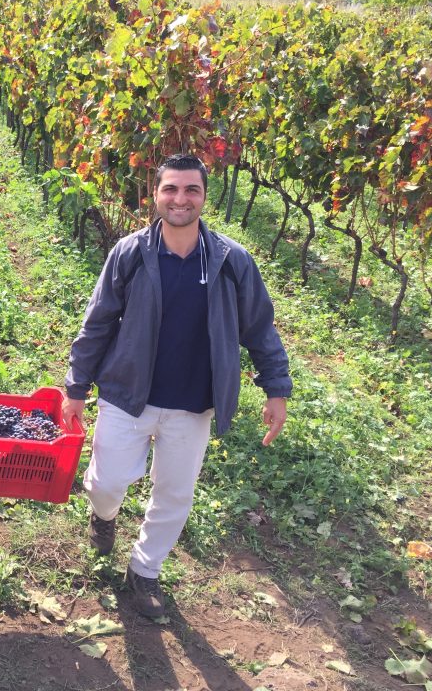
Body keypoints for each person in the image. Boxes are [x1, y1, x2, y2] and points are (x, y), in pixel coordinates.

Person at [61, 154, 291, 619]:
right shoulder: (130, 253)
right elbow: (98, 322)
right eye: (171, 189)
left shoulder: (231, 261)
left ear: (205, 197)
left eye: (191, 190)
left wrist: (276, 388)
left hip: (192, 405)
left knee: (174, 494)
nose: (180, 199)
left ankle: (144, 570)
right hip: (127, 394)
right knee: (107, 482)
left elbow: (260, 328)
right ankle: (103, 517)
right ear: (156, 194)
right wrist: (76, 387)